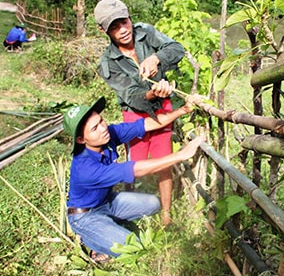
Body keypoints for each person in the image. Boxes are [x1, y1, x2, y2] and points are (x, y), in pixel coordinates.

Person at [63, 95, 203, 262]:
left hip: (107, 203)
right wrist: (181, 155)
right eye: (94, 128)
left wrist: (182, 110)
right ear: (81, 139)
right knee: (134, 248)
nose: (103, 128)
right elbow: (135, 169)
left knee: (154, 203)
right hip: (85, 216)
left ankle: (107, 228)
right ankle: (91, 239)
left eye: (101, 121)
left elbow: (145, 124)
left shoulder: (108, 136)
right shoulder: (85, 168)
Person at [94, 0, 185, 227]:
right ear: (103, 30)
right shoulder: (107, 63)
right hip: (135, 113)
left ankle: (166, 214)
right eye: (114, 27)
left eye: (123, 22)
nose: (122, 30)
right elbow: (132, 95)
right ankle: (127, 210)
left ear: (130, 18)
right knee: (134, 163)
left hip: (162, 108)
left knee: (164, 161)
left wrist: (156, 57)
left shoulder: (146, 32)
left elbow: (177, 49)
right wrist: (153, 93)